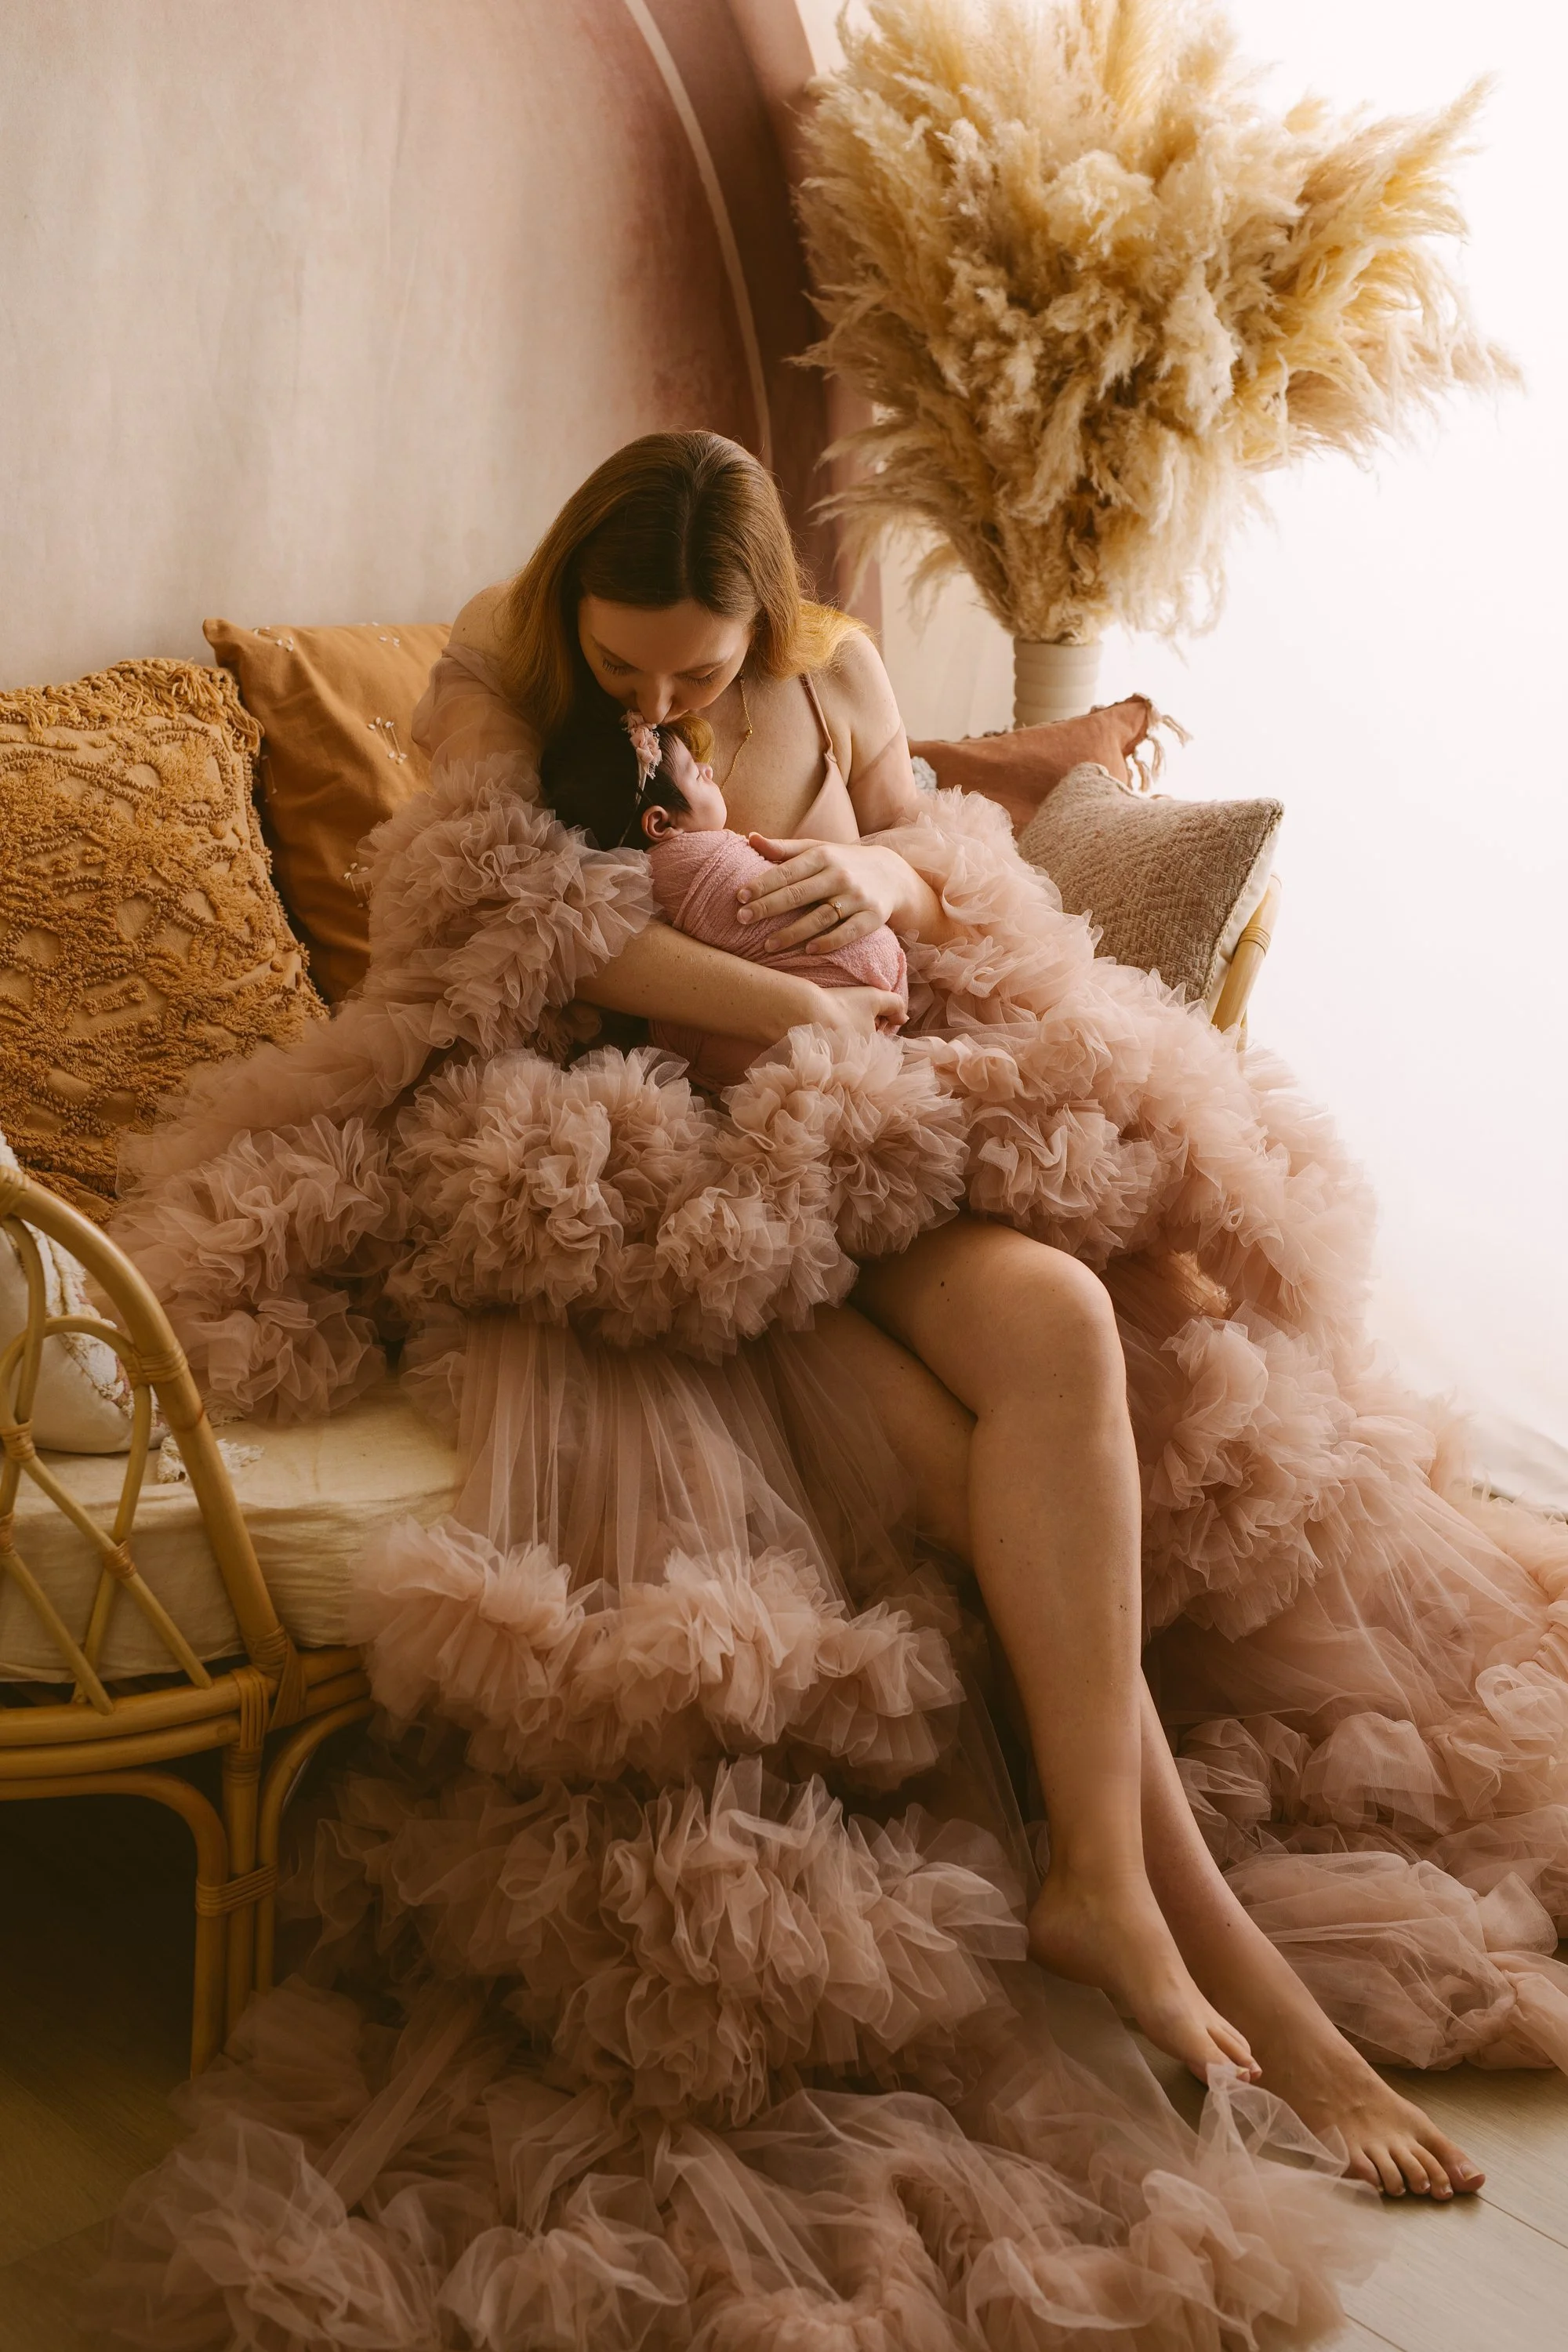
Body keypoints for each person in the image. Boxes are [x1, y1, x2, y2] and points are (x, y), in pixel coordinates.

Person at [108, 426, 1568, 2342]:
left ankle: (1097, 1881)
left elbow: (947, 868)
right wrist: (788, 994)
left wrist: (864, 865)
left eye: (694, 671)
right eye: (622, 665)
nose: (654, 701)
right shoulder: (500, 668)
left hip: (853, 1131)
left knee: (1057, 1317)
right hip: (629, 1181)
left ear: (764, 624)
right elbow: (490, 941)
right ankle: (1187, 1934)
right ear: (570, 612)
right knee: (963, 1480)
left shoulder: (839, 672)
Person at [537, 693, 907, 1089]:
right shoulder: (696, 862)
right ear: (661, 825)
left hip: (855, 993)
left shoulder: (637, 880)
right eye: (696, 774)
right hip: (860, 991)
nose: (708, 768)